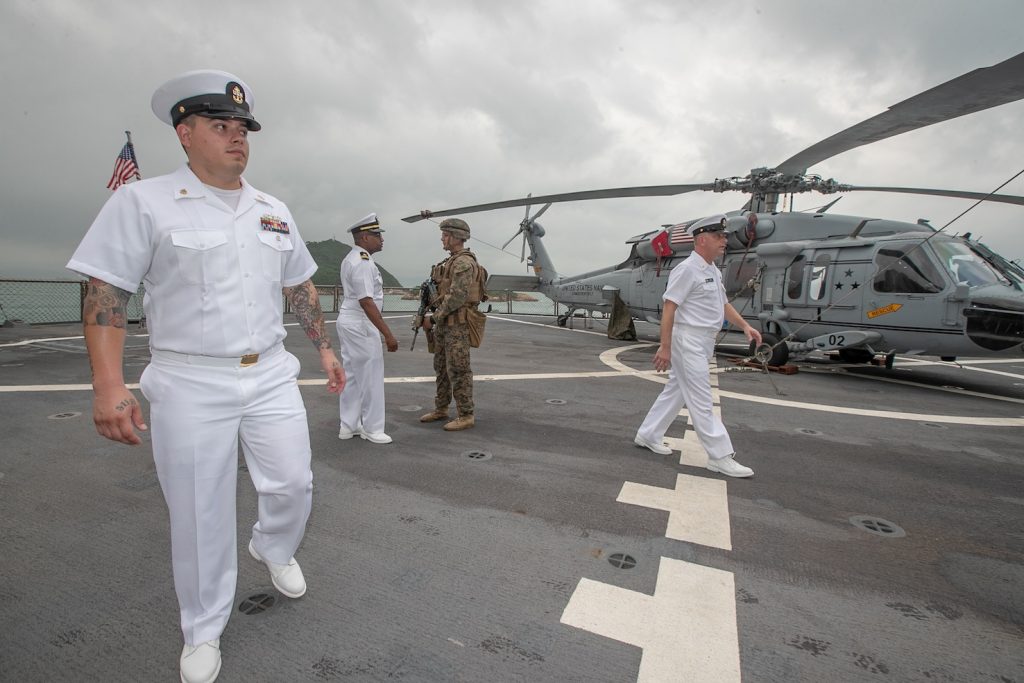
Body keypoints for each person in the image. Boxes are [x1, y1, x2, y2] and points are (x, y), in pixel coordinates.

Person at [66, 69, 345, 683]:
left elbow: (298, 283)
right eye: (220, 125)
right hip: (190, 380)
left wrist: (323, 349)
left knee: (293, 484)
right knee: (199, 514)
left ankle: (272, 547)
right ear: (185, 133)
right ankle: (203, 628)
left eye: (242, 127)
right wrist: (108, 386)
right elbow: (105, 290)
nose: (236, 137)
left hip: (270, 371)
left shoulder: (273, 210)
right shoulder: (142, 201)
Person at [633, 214, 762, 478]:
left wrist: (745, 326)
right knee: (702, 399)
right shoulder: (687, 270)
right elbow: (670, 308)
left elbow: (723, 305)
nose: (724, 241)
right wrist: (665, 347)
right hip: (688, 340)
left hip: (703, 341)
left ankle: (648, 434)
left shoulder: (712, 270)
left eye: (724, 236)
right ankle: (720, 456)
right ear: (702, 240)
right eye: (719, 236)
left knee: (677, 390)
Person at [336, 213, 398, 444]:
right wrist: (388, 335)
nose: (381, 239)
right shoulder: (361, 262)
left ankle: (349, 425)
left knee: (352, 375)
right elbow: (366, 301)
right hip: (361, 323)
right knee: (370, 376)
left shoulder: (353, 258)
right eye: (376, 235)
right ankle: (372, 428)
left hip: (350, 321)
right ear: (363, 237)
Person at [418, 218, 484, 431]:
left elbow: (457, 297)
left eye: (445, 235)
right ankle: (442, 408)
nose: (442, 239)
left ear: (456, 237)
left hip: (457, 325)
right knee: (441, 367)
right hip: (445, 325)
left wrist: (434, 318)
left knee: (458, 369)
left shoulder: (463, 263)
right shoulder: (449, 262)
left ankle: (466, 414)